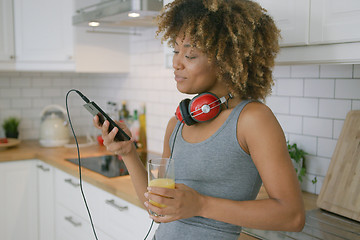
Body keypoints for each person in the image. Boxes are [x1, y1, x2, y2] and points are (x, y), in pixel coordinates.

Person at [93, 0, 305, 239]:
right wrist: (128, 151)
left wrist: (201, 205)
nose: (176, 63)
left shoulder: (252, 119)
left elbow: (292, 216)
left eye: (190, 54)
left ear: (226, 60)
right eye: (175, 51)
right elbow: (157, 204)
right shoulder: (178, 123)